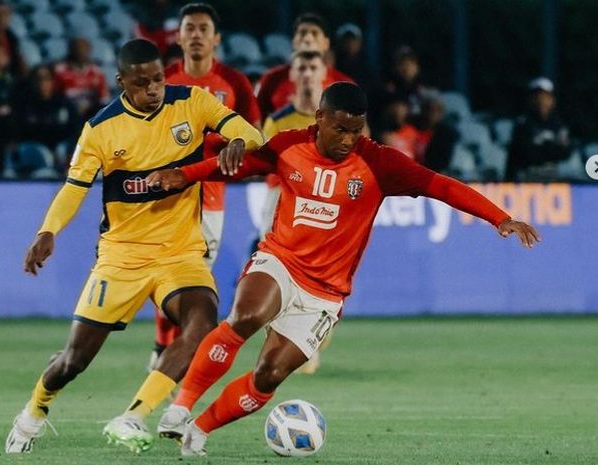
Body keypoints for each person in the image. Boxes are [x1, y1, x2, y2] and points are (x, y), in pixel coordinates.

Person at [145, 82, 541, 457]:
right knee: (246, 315)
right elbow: (239, 164)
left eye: (356, 130)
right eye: (340, 129)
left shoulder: (379, 163)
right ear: (319, 117)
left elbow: (441, 186)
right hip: (279, 261)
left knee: (268, 374)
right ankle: (180, 408)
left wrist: (499, 218)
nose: (348, 139)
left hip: (325, 294)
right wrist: (184, 175)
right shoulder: (289, 145)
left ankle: (199, 430)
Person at [4, 38, 263, 455]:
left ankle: (134, 415)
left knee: (202, 322)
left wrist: (237, 141)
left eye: (158, 79)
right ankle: (33, 412)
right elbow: (74, 189)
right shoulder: (101, 129)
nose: (153, 89)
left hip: (180, 252)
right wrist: (47, 231)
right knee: (74, 360)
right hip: (121, 256)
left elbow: (249, 132)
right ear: (121, 81)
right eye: (142, 83)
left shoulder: (191, 103)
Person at [147, 2, 262, 379]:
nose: (196, 35)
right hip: (166, 198)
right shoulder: (160, 81)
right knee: (165, 280)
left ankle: (168, 359)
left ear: (217, 39)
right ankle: (164, 351)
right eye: (189, 28)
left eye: (203, 29)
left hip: (210, 200)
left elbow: (253, 139)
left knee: (192, 286)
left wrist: (229, 150)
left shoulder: (235, 84)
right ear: (178, 37)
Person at [261, 49, 327, 375]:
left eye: (312, 67)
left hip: (326, 205)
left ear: (323, 72)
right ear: (291, 75)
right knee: (276, 275)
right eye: (300, 67)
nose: (306, 73)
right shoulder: (278, 121)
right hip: (282, 201)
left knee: (321, 281)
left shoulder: (337, 119)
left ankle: (308, 342)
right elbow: (267, 164)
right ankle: (282, 344)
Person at [255, 13, 353, 119]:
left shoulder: (344, 85)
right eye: (302, 33)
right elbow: (256, 122)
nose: (308, 39)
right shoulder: (271, 79)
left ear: (326, 43)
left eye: (314, 34)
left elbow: (360, 128)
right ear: (293, 42)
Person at [505, 77, 571, 181]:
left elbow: (564, 152)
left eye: (545, 97)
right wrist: (549, 149)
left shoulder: (558, 125)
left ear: (552, 100)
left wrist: (541, 150)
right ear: (530, 100)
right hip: (527, 179)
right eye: (536, 97)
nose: (541, 101)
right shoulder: (523, 123)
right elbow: (522, 153)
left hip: (552, 178)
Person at [53, 37, 109, 120]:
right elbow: (55, 96)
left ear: (89, 50)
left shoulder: (97, 72)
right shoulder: (60, 71)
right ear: (70, 49)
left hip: (91, 112)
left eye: (83, 48)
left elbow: (103, 98)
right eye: (77, 48)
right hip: (68, 112)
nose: (80, 51)